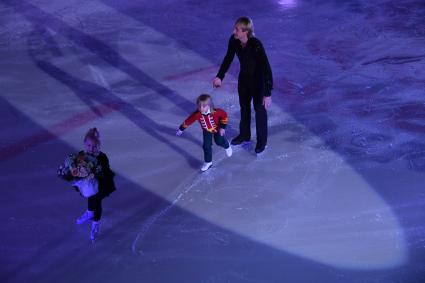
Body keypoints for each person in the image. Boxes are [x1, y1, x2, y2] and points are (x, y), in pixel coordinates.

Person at [213, 16, 273, 154]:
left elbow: (266, 69)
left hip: (259, 83)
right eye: (235, 28)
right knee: (244, 108)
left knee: (260, 111)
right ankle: (244, 135)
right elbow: (228, 58)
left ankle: (261, 143)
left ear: (245, 31)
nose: (234, 31)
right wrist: (220, 76)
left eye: (237, 29)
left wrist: (267, 93)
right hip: (244, 80)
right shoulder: (234, 41)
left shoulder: (256, 44)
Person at [75, 128, 116, 241]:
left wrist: (96, 174)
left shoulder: (102, 157)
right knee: (90, 197)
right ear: (84, 144)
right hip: (88, 184)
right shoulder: (81, 155)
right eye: (88, 145)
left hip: (102, 185)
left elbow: (105, 171)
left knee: (96, 202)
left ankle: (95, 223)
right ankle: (89, 212)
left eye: (94, 146)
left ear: (99, 146)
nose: (91, 149)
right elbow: (77, 170)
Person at [177, 94, 232, 171]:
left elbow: (224, 116)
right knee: (206, 146)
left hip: (217, 128)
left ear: (209, 105)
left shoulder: (217, 112)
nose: (201, 108)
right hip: (206, 131)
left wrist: (222, 128)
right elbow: (189, 121)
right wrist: (181, 129)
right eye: (199, 106)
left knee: (219, 141)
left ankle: (227, 146)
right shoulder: (197, 114)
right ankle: (208, 162)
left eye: (203, 106)